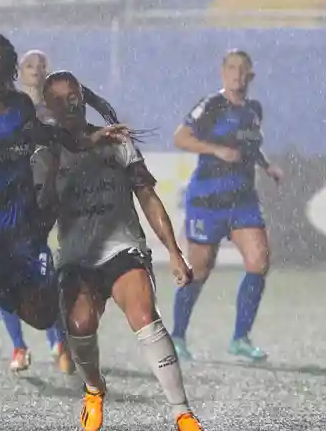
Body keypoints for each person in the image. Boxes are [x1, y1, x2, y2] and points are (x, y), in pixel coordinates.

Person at [0, 33, 127, 431]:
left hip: (21, 237)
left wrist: (88, 139)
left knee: (45, 313)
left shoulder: (19, 107)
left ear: (6, 68)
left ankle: (1, 292)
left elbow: (48, 136)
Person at [33, 70, 204, 431]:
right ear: (48, 107)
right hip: (78, 256)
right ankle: (94, 389)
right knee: (80, 325)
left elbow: (146, 195)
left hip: (122, 248)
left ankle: (183, 413)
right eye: (60, 99)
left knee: (145, 315)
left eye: (74, 95)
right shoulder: (46, 152)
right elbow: (41, 213)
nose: (70, 104)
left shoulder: (116, 141)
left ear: (83, 95)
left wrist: (173, 251)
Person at [170, 49, 284, 363]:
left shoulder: (254, 110)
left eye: (242, 70)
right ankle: (177, 337)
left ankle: (241, 338)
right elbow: (179, 137)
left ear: (250, 77)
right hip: (207, 201)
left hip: (242, 200)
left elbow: (250, 146)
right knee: (200, 270)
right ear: (223, 73)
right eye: (231, 68)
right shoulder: (211, 105)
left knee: (259, 261)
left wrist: (266, 165)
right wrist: (216, 150)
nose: (236, 74)